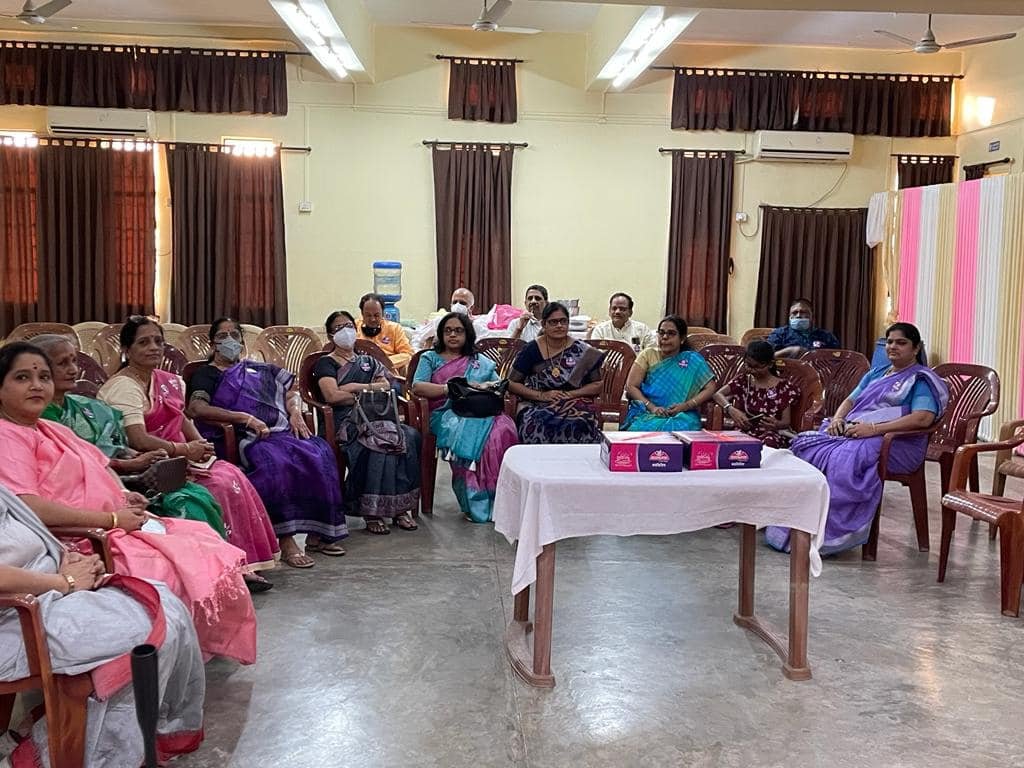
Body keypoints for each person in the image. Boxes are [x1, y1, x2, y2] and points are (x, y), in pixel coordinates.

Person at [0, 342, 257, 664]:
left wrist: (122, 494)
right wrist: (112, 520)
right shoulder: (7, 436)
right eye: (22, 377)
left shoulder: (49, 428)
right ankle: (160, 660)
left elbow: (98, 466)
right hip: (78, 540)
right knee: (173, 565)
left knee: (200, 537)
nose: (37, 385)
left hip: (112, 523)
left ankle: (188, 652)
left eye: (43, 377)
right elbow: (29, 509)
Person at [0, 485, 206, 768]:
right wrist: (64, 581)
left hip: (47, 593)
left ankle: (146, 738)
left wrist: (65, 558)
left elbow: (29, 532)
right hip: (17, 618)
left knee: (165, 604)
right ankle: (45, 756)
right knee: (144, 635)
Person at [31, 334, 252, 577]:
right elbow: (75, 468)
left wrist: (138, 458)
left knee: (203, 489)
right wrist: (130, 467)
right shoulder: (35, 419)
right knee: (186, 502)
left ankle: (228, 569)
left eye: (74, 361)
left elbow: (115, 446)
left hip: (120, 482)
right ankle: (208, 574)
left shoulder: (86, 407)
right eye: (62, 363)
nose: (73, 369)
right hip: (88, 498)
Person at [96, 317, 280, 578]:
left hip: (178, 459)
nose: (153, 347)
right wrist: (183, 450)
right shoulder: (122, 387)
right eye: (143, 342)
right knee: (217, 486)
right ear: (127, 350)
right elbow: (137, 438)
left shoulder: (167, 380)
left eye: (158, 341)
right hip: (145, 464)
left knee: (229, 473)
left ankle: (241, 561)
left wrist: (199, 444)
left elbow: (178, 416)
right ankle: (222, 569)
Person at [766, 323, 949, 556]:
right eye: (890, 342)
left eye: (901, 343)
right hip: (858, 432)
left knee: (842, 458)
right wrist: (837, 420)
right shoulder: (877, 373)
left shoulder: (919, 379)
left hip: (897, 443)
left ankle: (830, 533)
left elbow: (922, 418)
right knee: (805, 446)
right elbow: (850, 401)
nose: (893, 347)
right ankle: (796, 525)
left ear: (916, 348)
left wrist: (873, 429)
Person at [185, 318, 350, 568]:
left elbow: (291, 393)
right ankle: (286, 540)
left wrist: (295, 412)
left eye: (234, 335)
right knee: (274, 463)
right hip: (243, 435)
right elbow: (196, 408)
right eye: (222, 336)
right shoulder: (206, 374)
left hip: (278, 431)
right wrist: (244, 418)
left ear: (242, 341)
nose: (229, 340)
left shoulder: (257, 370)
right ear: (212, 344)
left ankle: (320, 534)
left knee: (319, 451)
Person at [316, 310, 421, 534]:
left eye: (348, 326)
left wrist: (356, 388)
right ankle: (371, 511)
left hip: (379, 416)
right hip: (347, 421)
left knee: (408, 437)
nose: (345, 331)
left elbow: (386, 386)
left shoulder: (368, 361)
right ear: (330, 335)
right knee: (376, 442)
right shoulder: (326, 363)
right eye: (338, 328)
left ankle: (399, 508)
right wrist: (369, 393)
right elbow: (332, 396)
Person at [412, 312, 518, 523]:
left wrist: (483, 386)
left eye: (458, 331)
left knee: (502, 430)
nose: (452, 335)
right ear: (441, 334)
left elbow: (498, 384)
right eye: (448, 331)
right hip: (445, 413)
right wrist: (451, 389)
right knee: (466, 432)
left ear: (467, 334)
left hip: (480, 410)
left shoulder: (479, 361)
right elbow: (418, 386)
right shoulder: (430, 358)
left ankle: (500, 501)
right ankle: (474, 502)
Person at [508, 302, 606, 444]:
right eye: (553, 322)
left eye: (563, 321)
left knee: (580, 423)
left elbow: (597, 385)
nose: (559, 325)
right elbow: (511, 383)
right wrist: (542, 395)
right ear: (544, 324)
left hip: (574, 402)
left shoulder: (583, 350)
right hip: (536, 403)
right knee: (537, 423)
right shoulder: (531, 349)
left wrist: (571, 394)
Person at [621, 315, 716, 432]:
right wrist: (652, 407)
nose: (665, 337)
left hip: (683, 414)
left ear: (682, 339)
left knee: (685, 428)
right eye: (661, 333)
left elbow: (710, 388)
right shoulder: (648, 354)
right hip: (648, 412)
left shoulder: (692, 360)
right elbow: (631, 386)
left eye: (671, 333)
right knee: (640, 430)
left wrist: (686, 405)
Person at [712, 340, 801, 448]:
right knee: (732, 443)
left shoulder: (783, 387)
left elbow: (786, 422)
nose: (752, 370)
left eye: (758, 367)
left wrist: (776, 424)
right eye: (748, 365)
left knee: (768, 443)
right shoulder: (744, 380)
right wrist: (731, 409)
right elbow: (717, 394)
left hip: (771, 433)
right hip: (745, 431)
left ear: (770, 364)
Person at [357, 292, 414, 373]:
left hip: (388, 369)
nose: (372, 319)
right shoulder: (354, 327)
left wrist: (382, 362)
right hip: (361, 370)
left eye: (376, 315)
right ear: (362, 314)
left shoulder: (394, 328)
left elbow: (407, 354)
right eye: (368, 315)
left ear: (383, 313)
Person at [767, 298, 841, 358]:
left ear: (812, 317)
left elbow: (839, 357)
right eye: (794, 313)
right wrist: (789, 351)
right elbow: (765, 358)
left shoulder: (826, 336)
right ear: (789, 316)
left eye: (803, 312)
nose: (798, 315)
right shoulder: (780, 334)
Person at [589, 292, 657, 351]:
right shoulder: (600, 330)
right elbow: (595, 355)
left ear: (630, 312)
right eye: (614, 308)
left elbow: (651, 354)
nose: (617, 312)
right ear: (609, 311)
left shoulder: (642, 329)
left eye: (622, 309)